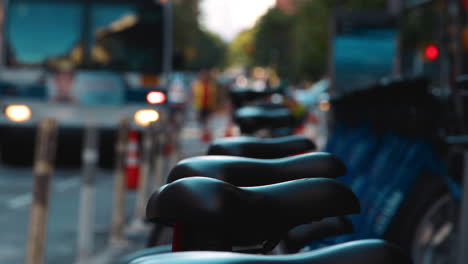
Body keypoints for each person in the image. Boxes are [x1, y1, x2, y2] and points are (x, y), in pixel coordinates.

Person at [192, 70, 217, 142]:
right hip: (200, 106)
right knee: (201, 121)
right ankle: (203, 134)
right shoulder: (197, 85)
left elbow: (214, 96)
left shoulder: (211, 85)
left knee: (208, 120)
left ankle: (207, 134)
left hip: (209, 105)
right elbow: (193, 96)